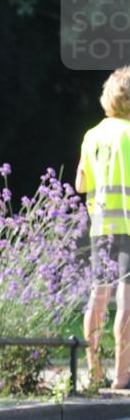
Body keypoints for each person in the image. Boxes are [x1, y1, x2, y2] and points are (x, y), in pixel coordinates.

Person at [77, 65, 130, 390]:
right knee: (126, 302)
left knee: (97, 298)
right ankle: (121, 375)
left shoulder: (92, 135)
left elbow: (81, 182)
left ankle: (94, 371)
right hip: (129, 228)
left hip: (101, 229)